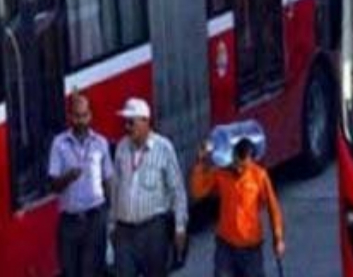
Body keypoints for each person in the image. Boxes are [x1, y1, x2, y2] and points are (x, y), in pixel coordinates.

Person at [111, 98, 188, 277]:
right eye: (125, 123)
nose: (127, 127)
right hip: (124, 232)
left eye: (131, 122)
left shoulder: (163, 148)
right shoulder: (122, 147)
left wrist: (180, 227)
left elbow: (177, 190)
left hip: (152, 230)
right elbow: (116, 188)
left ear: (145, 121)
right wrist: (112, 225)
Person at [192, 137, 285, 277]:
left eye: (243, 166)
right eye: (237, 164)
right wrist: (200, 162)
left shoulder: (259, 176)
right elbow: (197, 191)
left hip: (251, 250)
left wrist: (278, 238)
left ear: (251, 161)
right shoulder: (221, 174)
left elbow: (273, 208)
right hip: (226, 247)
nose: (239, 169)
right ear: (233, 156)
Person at [49, 93, 113, 277]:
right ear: (70, 117)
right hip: (69, 221)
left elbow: (108, 179)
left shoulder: (100, 143)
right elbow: (53, 185)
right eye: (77, 116)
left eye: (84, 115)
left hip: (95, 216)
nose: (81, 121)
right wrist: (67, 177)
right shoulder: (59, 144)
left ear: (90, 116)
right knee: (70, 272)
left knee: (91, 271)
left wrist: (112, 215)